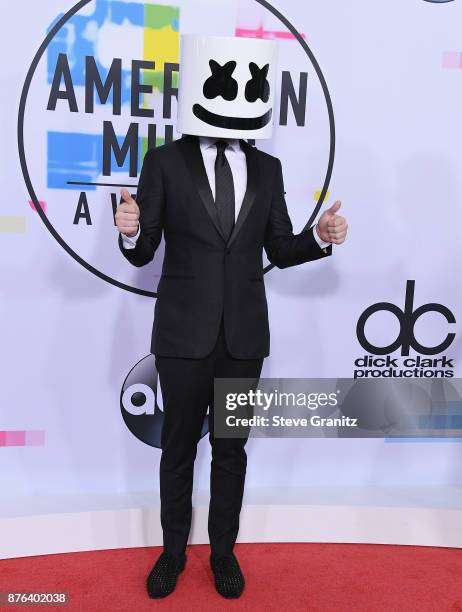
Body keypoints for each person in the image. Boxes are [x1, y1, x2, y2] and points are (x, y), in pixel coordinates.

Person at [116, 35, 348, 600]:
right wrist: (127, 233)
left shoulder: (268, 168)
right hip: (182, 335)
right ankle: (172, 553)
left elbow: (280, 247)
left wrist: (317, 238)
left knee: (231, 450)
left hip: (245, 337)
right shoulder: (163, 162)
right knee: (177, 449)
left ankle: (223, 553)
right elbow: (145, 251)